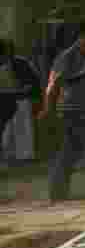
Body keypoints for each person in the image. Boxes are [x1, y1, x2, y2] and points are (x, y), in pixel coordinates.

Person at [37, 24, 85, 204]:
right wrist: (47, 108)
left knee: (70, 151)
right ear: (82, 37)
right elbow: (52, 85)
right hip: (74, 110)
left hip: (83, 109)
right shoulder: (67, 57)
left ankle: (58, 192)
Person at [0, 39, 42, 167]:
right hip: (4, 99)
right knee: (6, 130)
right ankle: (7, 156)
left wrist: (28, 90)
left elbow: (34, 82)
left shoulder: (21, 63)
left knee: (22, 128)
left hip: (21, 99)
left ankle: (24, 156)